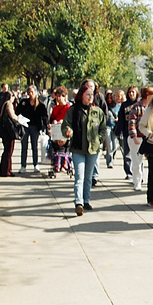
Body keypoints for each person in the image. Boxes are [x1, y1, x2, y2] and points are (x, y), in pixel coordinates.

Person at [61, 85, 106, 216]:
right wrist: (67, 131)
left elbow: (103, 128)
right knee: (79, 177)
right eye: (87, 94)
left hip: (93, 149)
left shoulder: (97, 111)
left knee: (88, 177)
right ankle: (78, 202)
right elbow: (66, 125)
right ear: (81, 96)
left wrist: (99, 139)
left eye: (92, 95)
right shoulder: (73, 110)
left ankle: (86, 200)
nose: (90, 97)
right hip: (78, 148)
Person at [16, 85, 48, 173]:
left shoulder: (40, 105)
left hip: (35, 127)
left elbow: (44, 116)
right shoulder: (24, 102)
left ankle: (35, 164)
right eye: (29, 92)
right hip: (25, 127)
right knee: (24, 146)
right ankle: (23, 165)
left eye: (32, 92)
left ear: (36, 93)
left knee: (34, 146)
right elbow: (17, 112)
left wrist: (46, 126)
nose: (30, 94)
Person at [128, 87, 153, 191]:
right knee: (137, 162)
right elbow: (132, 123)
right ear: (147, 95)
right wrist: (134, 137)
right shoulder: (136, 107)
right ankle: (137, 182)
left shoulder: (152, 107)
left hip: (148, 138)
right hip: (137, 138)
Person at [117, 86, 139, 180]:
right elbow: (121, 119)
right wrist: (120, 131)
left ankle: (137, 173)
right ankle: (128, 172)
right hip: (126, 132)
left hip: (137, 133)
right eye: (130, 92)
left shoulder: (139, 104)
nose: (131, 94)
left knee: (137, 154)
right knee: (127, 154)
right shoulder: (124, 105)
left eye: (133, 92)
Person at [0, 91, 19, 177]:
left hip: (4, 131)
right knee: (9, 151)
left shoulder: (3, 104)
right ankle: (6, 170)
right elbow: (12, 115)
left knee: (7, 150)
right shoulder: (8, 104)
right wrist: (18, 118)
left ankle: (5, 169)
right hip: (8, 131)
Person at [103, 90, 121, 168]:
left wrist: (118, 119)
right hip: (107, 126)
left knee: (115, 145)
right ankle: (110, 162)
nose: (109, 99)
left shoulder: (116, 106)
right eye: (108, 98)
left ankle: (108, 156)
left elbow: (120, 115)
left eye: (111, 98)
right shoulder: (105, 106)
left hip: (115, 127)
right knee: (109, 145)